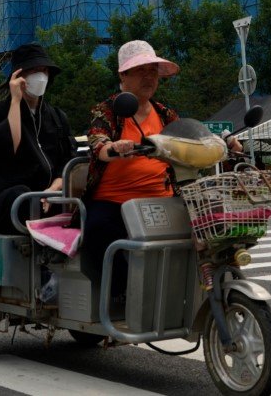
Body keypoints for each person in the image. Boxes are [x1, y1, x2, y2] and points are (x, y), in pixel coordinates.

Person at [81, 40, 241, 294]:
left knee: (215, 217)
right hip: (115, 202)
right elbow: (98, 142)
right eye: (141, 70)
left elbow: (187, 138)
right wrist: (114, 148)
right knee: (97, 230)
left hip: (165, 197)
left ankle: (212, 273)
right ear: (123, 75)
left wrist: (220, 145)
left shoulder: (166, 114)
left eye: (153, 71)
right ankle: (123, 296)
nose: (149, 77)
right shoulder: (108, 111)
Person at [0, 43, 76, 235]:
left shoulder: (57, 117)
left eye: (44, 70)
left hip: (49, 192)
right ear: (18, 76)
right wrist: (15, 101)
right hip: (8, 194)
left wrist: (54, 188)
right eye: (33, 71)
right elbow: (9, 147)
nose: (40, 76)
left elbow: (68, 159)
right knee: (23, 198)